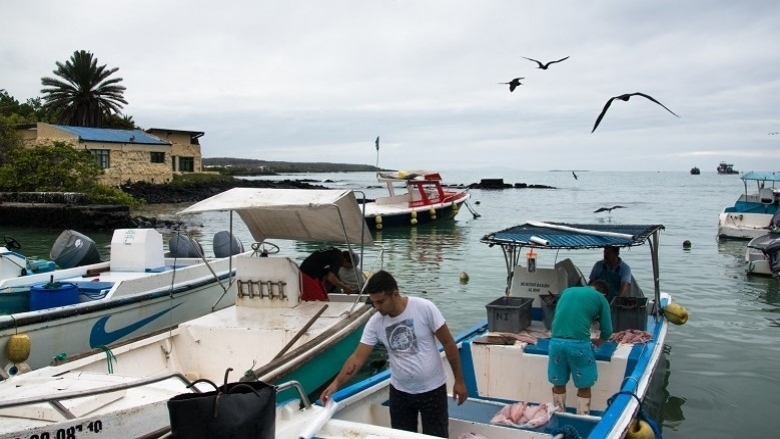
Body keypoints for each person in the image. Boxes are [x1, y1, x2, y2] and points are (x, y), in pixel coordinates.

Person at [320, 270, 467, 437]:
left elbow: (448, 344)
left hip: (433, 390)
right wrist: (336, 384)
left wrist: (459, 381)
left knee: (436, 436)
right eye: (374, 302)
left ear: (395, 294)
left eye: (381, 302)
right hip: (400, 392)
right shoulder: (375, 322)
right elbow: (357, 358)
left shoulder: (424, 308)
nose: (377, 307)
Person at [547, 279, 613, 415]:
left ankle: (559, 415)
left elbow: (563, 315)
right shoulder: (601, 298)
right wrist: (598, 342)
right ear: (604, 293)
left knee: (558, 382)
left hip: (555, 343)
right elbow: (607, 330)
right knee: (584, 385)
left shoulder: (567, 291)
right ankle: (582, 417)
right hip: (578, 345)